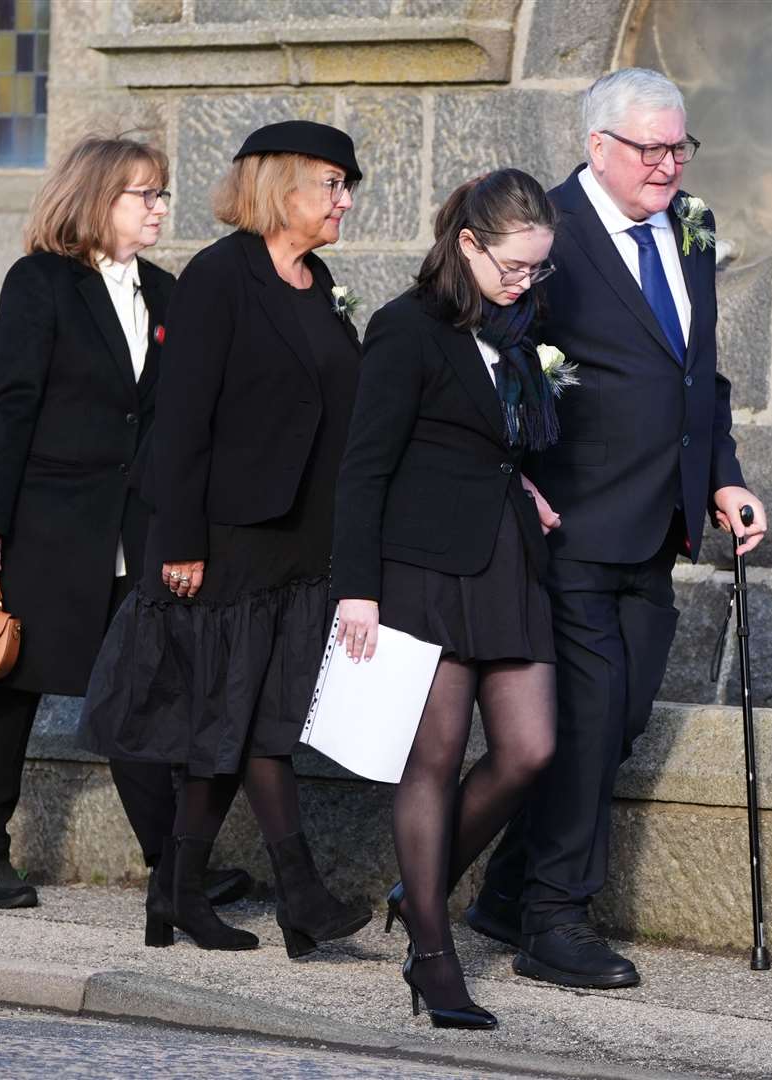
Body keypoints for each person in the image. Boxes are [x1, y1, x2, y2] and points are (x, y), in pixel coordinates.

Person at [469, 68, 769, 990]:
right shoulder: (545, 232)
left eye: (681, 146)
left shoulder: (693, 226)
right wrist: (512, 482)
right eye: (652, 148)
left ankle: (506, 887)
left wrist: (724, 477)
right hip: (570, 526)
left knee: (622, 717)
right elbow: (492, 363)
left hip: (660, 524)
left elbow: (698, 376)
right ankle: (555, 922)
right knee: (590, 719)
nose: (670, 164)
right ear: (599, 146)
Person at [80, 121, 371, 957]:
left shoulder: (319, 282)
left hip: (300, 541)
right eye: (331, 184)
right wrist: (179, 540)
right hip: (226, 539)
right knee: (245, 722)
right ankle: (301, 894)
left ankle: (176, 891)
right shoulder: (219, 277)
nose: (343, 200)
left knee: (243, 721)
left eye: (348, 186)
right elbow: (181, 421)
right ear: (281, 186)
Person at [0, 134, 250, 921]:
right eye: (143, 195)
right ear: (97, 199)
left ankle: (170, 865)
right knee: (11, 683)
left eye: (160, 193)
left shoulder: (167, 288)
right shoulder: (40, 282)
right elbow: (9, 406)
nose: (159, 208)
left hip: (137, 525)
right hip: (49, 523)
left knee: (138, 689)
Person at [331, 170, 564, 1030]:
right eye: (513, 267)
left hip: (506, 560)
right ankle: (434, 958)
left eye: (537, 270)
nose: (524, 283)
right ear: (467, 244)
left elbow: (490, 443)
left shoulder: (512, 328)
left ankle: (415, 889)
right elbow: (364, 466)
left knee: (531, 749)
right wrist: (355, 589)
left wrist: (525, 486)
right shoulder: (403, 329)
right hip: (423, 570)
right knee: (430, 760)